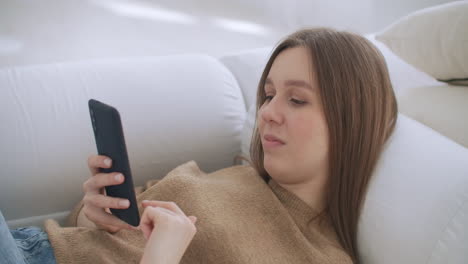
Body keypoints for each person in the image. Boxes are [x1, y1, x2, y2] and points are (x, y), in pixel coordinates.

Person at [0, 27, 397, 264]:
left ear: (350, 120)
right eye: (269, 94)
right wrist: (93, 214)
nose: (267, 113)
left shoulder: (319, 258)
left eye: (296, 99)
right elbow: (90, 235)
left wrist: (162, 256)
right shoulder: (236, 175)